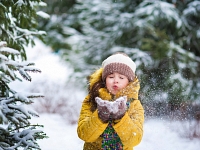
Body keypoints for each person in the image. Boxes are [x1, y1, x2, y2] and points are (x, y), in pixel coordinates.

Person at [77, 52, 144, 150]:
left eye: (121, 77)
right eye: (111, 77)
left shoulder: (135, 105)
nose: (116, 80)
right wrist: (100, 117)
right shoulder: (92, 100)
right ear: (104, 79)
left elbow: (134, 139)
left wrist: (121, 117)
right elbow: (84, 135)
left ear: (129, 81)